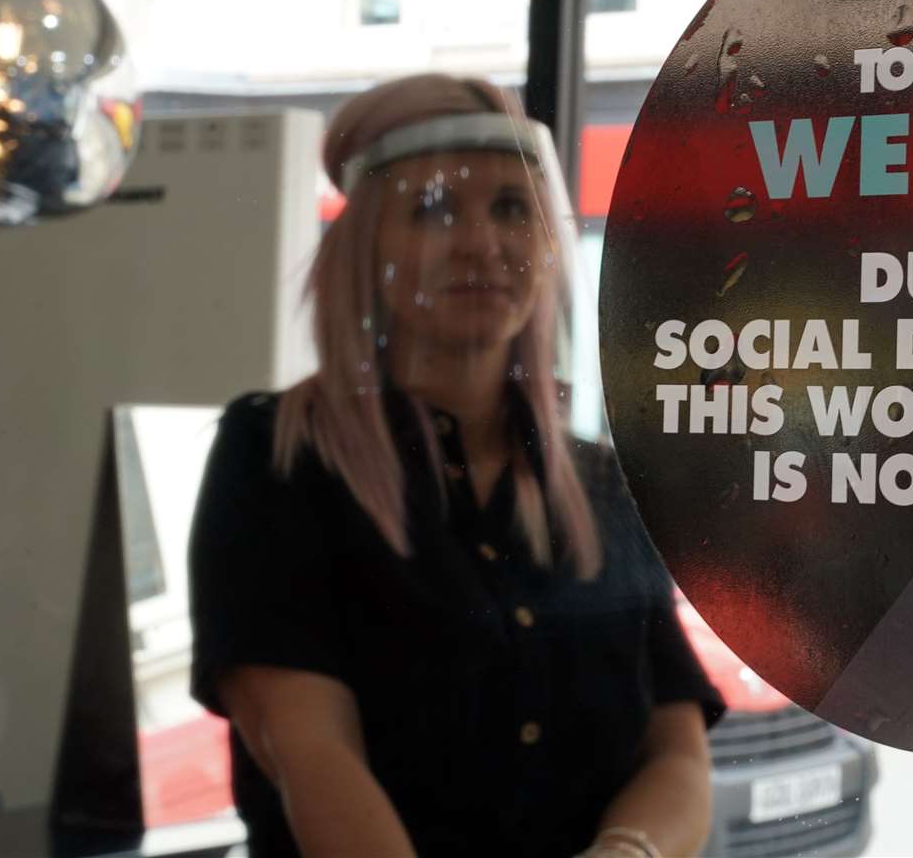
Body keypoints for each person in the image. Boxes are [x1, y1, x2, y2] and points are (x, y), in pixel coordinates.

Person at [188, 74, 725, 858]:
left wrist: (625, 852)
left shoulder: (601, 481)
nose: (482, 243)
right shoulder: (280, 457)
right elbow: (305, 749)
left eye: (513, 208)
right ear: (366, 247)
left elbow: (676, 747)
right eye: (434, 210)